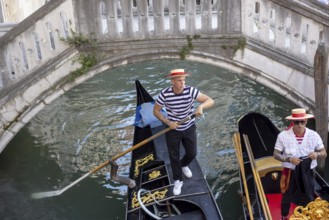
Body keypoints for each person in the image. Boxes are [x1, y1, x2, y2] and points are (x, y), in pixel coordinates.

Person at [153, 68, 214, 196]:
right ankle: (178, 180)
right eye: (179, 80)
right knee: (173, 156)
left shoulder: (190, 91)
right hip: (173, 129)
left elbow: (210, 100)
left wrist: (201, 106)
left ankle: (184, 165)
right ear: (172, 82)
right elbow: (156, 111)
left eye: (184, 80)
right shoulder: (164, 94)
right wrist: (168, 122)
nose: (183, 83)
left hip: (189, 127)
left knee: (192, 153)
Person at [273, 108, 327, 220]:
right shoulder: (283, 136)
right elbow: (276, 155)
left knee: (308, 195)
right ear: (292, 122)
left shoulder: (314, 135)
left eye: (302, 122)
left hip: (308, 172)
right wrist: (289, 159)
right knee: (286, 197)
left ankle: (307, 216)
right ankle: (284, 216)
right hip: (289, 172)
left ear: (306, 121)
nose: (299, 125)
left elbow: (324, 153)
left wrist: (316, 155)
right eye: (297, 122)